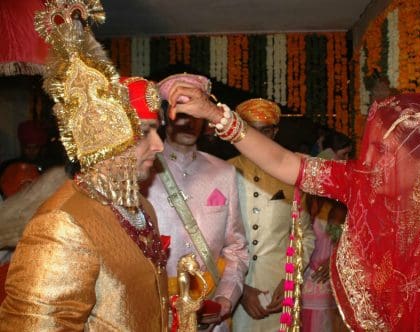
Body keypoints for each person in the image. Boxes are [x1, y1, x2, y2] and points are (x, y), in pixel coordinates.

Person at [164, 82, 420, 331]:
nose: (367, 160)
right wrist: (213, 113)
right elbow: (285, 162)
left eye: (383, 152)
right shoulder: (368, 181)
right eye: (370, 147)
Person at [0, 3, 169, 330]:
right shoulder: (61, 225)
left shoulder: (141, 206)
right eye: (146, 133)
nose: (159, 145)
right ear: (106, 134)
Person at [143, 73, 248, 331]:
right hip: (156, 313)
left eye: (196, 114)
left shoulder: (224, 172)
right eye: (182, 112)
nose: (189, 123)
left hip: (211, 316)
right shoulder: (143, 170)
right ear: (165, 115)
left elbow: (236, 249)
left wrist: (225, 298)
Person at [227, 99, 315, 332]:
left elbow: (304, 235)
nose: (258, 139)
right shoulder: (222, 172)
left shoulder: (291, 175)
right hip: (231, 295)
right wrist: (241, 289)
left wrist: (291, 278)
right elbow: (209, 242)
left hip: (279, 293)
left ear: (275, 132)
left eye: (265, 131)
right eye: (251, 131)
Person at [301, 131, 352, 332]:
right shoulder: (311, 200)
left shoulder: (345, 199)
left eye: (349, 155)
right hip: (310, 282)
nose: (347, 161)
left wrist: (335, 260)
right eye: (344, 155)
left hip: (335, 285)